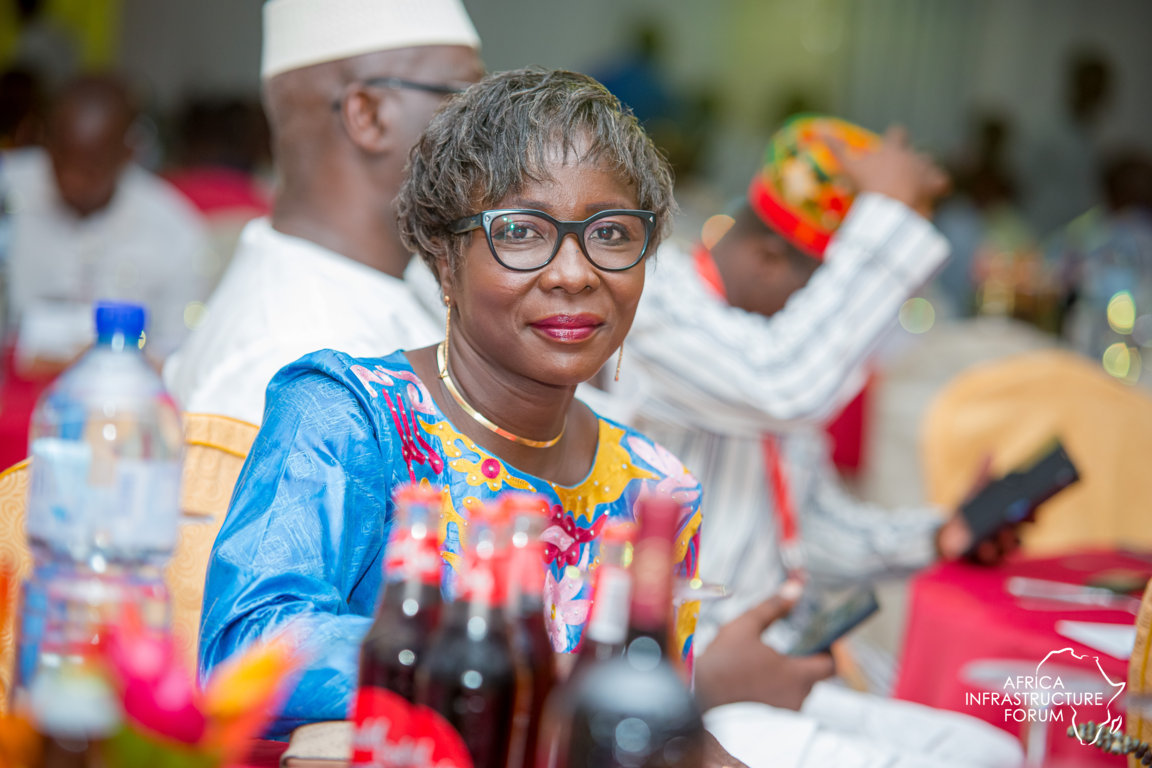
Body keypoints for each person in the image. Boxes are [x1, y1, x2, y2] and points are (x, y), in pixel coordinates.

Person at [197, 68, 704, 741]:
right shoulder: (348, 416)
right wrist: (496, 668)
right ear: (444, 258)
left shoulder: (656, 490)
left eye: (611, 233)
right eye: (520, 231)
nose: (575, 273)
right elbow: (249, 645)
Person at [611, 120, 1024, 766]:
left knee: (989, 750)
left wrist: (940, 535)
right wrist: (888, 211)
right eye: (825, 301)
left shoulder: (757, 332)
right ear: (769, 259)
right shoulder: (655, 298)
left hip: (772, 665)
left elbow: (809, 531)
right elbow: (784, 382)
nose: (833, 334)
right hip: (683, 673)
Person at [162, 0, 484, 424]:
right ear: (368, 116)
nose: (484, 129)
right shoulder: (290, 360)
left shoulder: (397, 282)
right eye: (464, 98)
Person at [2, 74, 210, 370]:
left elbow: (179, 354)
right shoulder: (8, 187)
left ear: (127, 154)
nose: (72, 179)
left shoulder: (174, 229)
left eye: (90, 168)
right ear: (46, 142)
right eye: (61, 161)